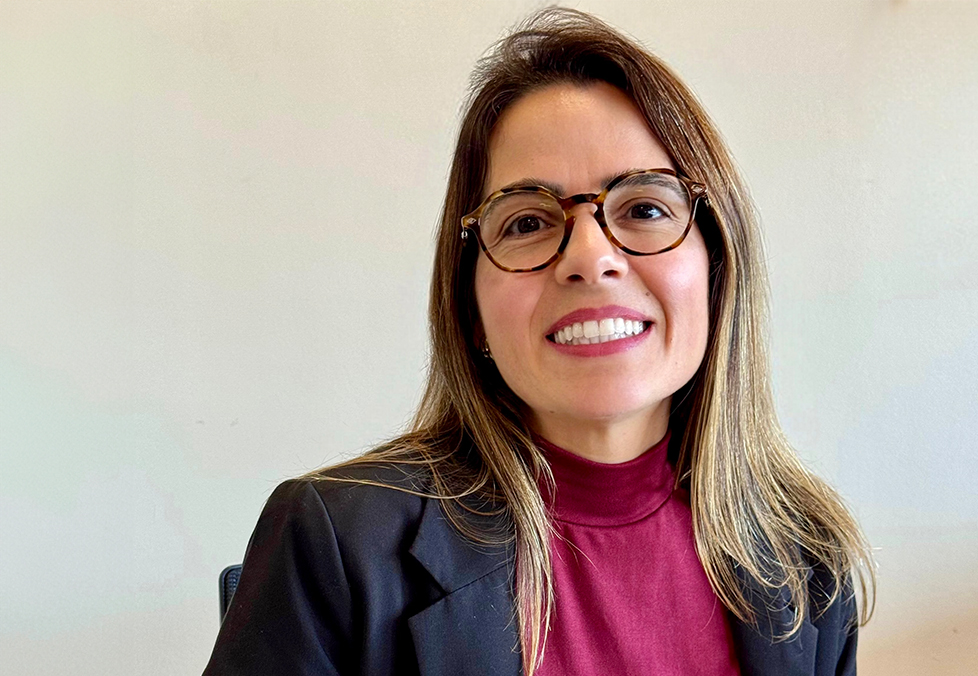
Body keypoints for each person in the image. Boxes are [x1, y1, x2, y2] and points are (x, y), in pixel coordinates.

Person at [204, 8, 875, 676]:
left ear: (717, 272)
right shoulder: (334, 542)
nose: (590, 258)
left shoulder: (807, 556)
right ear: (470, 307)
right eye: (526, 222)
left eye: (645, 208)